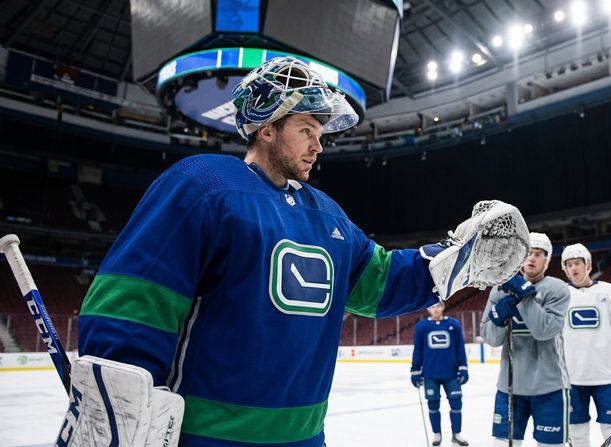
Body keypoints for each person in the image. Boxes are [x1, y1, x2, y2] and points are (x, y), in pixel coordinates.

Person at [62, 57, 527, 447]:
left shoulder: (327, 215)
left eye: (320, 132)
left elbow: (380, 281)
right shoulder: (204, 185)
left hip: (306, 438)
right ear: (266, 128)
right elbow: (136, 297)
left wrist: (456, 261)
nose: (318, 145)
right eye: (306, 129)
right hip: (208, 437)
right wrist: (118, 402)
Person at [480, 232, 571, 447]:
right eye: (527, 253)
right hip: (509, 388)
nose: (531, 258)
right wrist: (498, 319)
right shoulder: (499, 289)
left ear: (547, 261)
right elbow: (491, 338)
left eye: (538, 254)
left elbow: (544, 331)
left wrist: (524, 297)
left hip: (549, 388)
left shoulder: (557, 289)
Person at [560, 243, 611, 447]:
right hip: (572, 378)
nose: (574, 268)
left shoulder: (609, 291)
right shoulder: (559, 295)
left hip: (608, 376)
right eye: (569, 264)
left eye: (578, 263)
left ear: (588, 264)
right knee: (577, 433)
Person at [411, 301, 470, 446]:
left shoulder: (453, 324)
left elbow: (460, 347)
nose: (435, 309)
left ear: (443, 307)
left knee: (456, 404)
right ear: (428, 309)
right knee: (433, 405)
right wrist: (415, 370)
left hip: (452, 374)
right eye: (432, 306)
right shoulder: (421, 326)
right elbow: (417, 350)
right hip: (430, 375)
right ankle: (437, 434)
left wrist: (463, 367)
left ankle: (457, 434)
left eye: (438, 306)